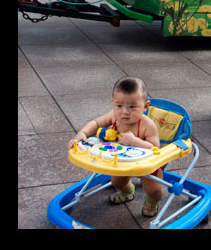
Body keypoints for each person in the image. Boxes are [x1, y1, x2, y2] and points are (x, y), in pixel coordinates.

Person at [67, 76, 164, 217]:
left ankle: (152, 202)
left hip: (149, 164)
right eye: (119, 106)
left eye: (132, 107)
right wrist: (82, 133)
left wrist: (134, 141)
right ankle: (127, 191)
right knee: (116, 182)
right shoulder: (114, 116)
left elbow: (155, 148)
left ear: (145, 106)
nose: (124, 111)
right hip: (123, 160)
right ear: (113, 103)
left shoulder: (147, 125)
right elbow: (96, 123)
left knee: (152, 189)